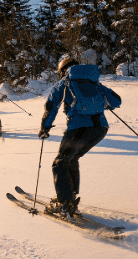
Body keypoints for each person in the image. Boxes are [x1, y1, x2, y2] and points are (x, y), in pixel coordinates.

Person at [38, 57, 122, 219]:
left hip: (78, 129)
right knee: (71, 158)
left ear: (63, 70)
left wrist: (45, 128)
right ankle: (70, 196)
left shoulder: (64, 83)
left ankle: (64, 204)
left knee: (60, 163)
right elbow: (116, 101)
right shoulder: (95, 83)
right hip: (100, 129)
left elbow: (51, 106)